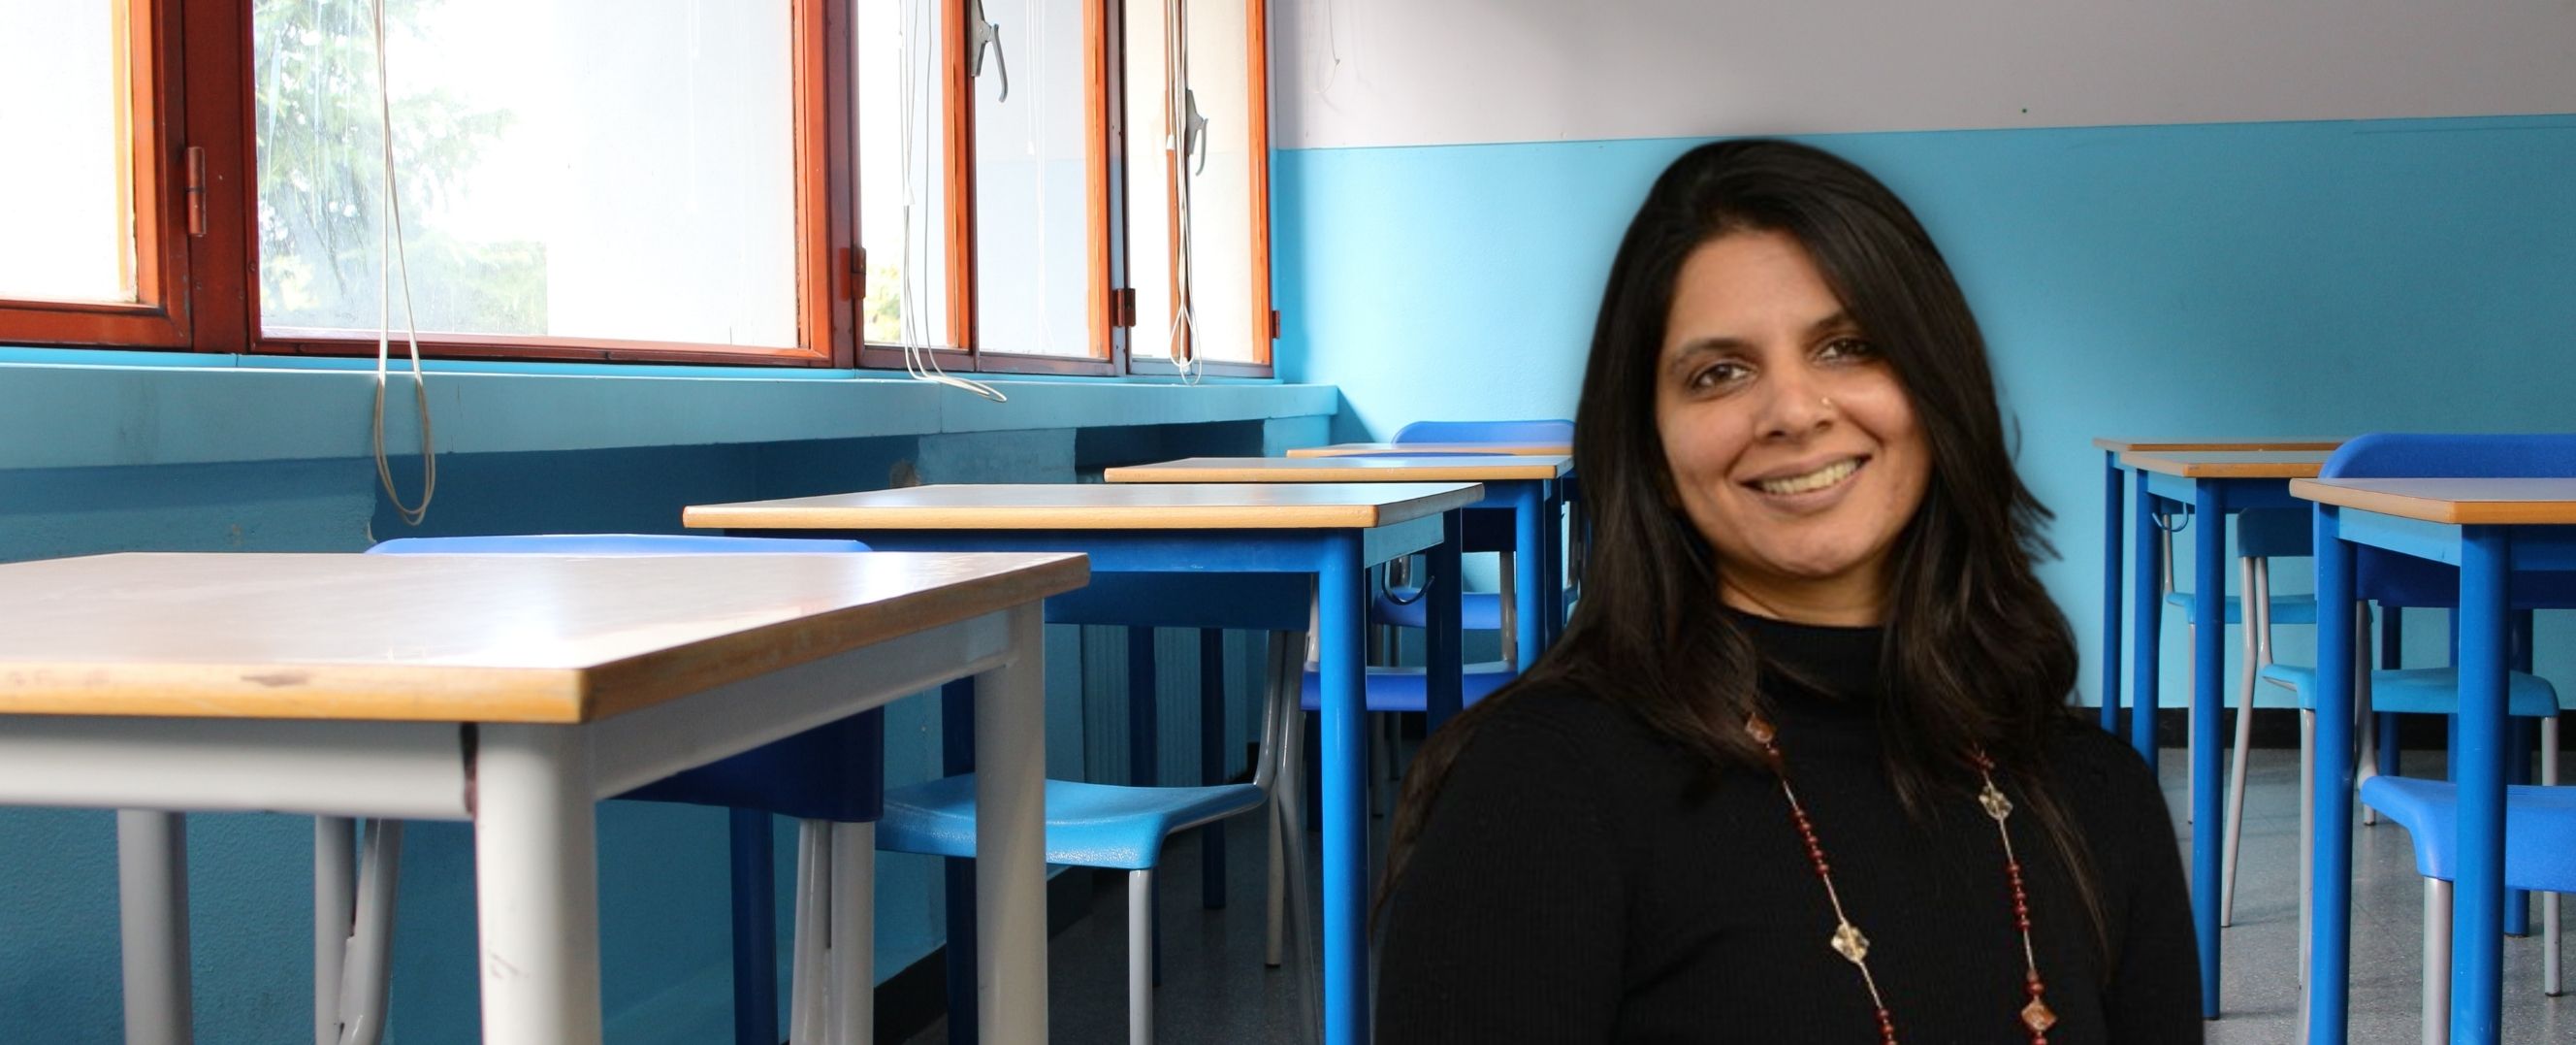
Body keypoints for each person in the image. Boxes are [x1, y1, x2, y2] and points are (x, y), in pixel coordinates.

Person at [1373, 140, 2199, 1044]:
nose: (1796, 412)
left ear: (1936, 386)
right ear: (1652, 450)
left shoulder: (2095, 790)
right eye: (1719, 373)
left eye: (1848, 347)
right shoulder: (1534, 793)